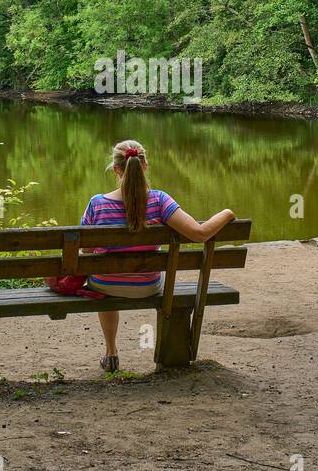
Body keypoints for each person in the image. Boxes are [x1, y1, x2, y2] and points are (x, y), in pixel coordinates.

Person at [79, 139, 235, 372]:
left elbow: (85, 250)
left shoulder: (97, 204)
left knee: (104, 275)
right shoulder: (160, 200)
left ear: (116, 169)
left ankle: (111, 353)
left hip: (106, 285)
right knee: (120, 274)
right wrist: (227, 213)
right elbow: (199, 234)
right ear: (145, 166)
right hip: (147, 285)